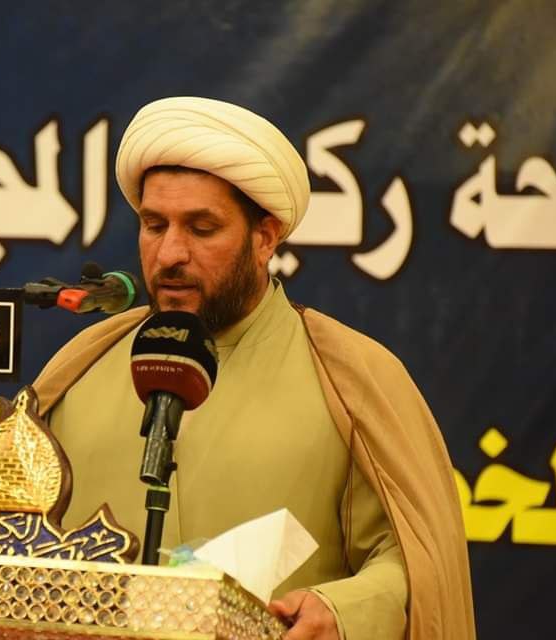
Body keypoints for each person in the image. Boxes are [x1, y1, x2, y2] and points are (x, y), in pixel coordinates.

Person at [33, 97, 474, 640]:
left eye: (201, 228)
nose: (169, 253)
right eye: (154, 225)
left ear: (265, 237)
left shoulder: (351, 377)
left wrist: (341, 611)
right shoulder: (81, 369)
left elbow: (415, 560)